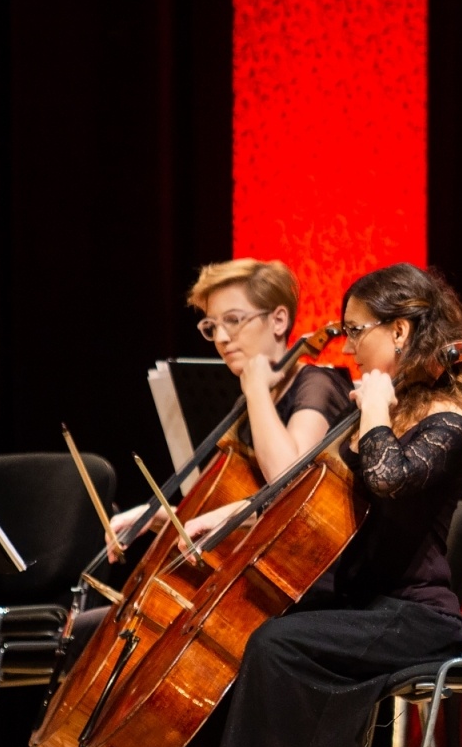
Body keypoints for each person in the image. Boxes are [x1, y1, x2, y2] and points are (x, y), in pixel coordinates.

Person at [214, 263, 462, 747]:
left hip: (414, 616)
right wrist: (230, 515)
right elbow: (308, 492)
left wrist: (376, 410)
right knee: (252, 624)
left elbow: (388, 479)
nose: (350, 347)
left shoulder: (447, 420)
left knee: (276, 644)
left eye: (357, 331)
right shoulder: (383, 411)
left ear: (400, 331)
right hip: (363, 602)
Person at [66, 259, 354, 655]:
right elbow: (248, 508)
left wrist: (255, 388)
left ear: (278, 320)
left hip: (305, 584)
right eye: (211, 326)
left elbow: (288, 486)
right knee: (88, 631)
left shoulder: (315, 384)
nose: (220, 337)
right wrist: (162, 515)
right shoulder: (253, 402)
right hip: (253, 578)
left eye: (233, 320)